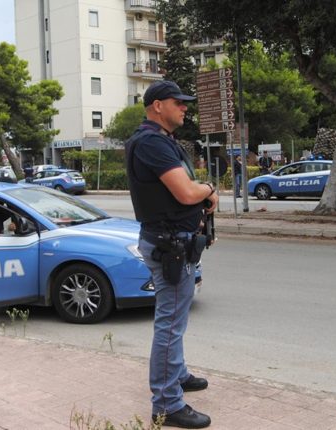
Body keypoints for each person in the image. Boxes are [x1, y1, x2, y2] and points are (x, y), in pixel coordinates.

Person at [125, 80, 218, 429]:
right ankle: (166, 402)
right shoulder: (151, 141)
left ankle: (176, 374)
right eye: (178, 102)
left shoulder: (158, 140)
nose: (185, 107)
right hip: (169, 245)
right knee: (170, 325)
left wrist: (201, 195)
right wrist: (208, 190)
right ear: (157, 106)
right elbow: (184, 192)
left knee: (175, 320)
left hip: (172, 242)